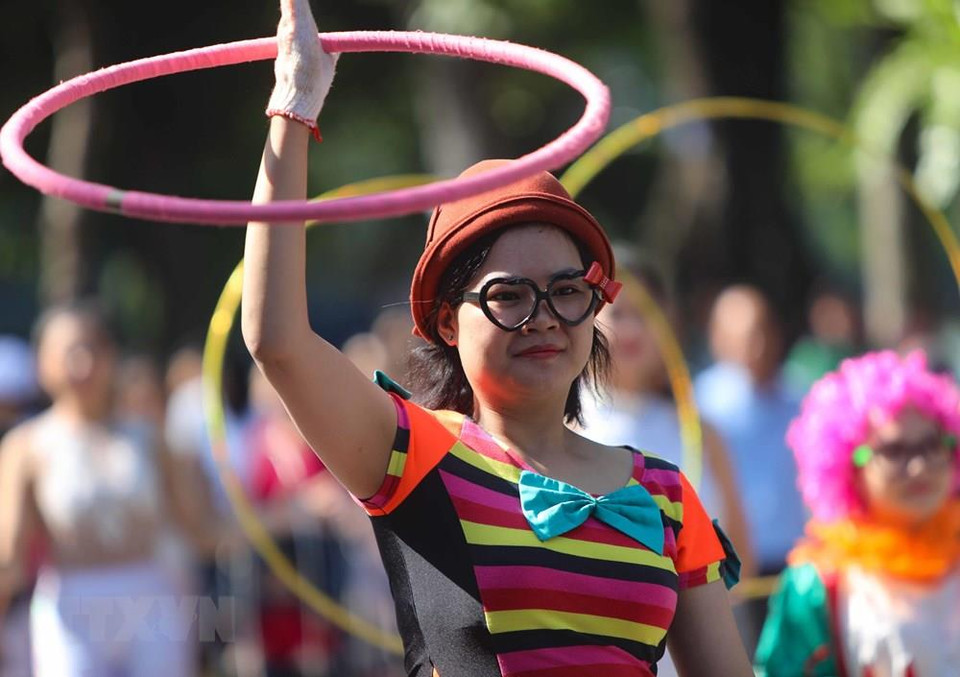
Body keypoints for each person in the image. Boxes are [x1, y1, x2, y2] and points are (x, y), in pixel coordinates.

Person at [240, 2, 753, 675]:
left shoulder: (666, 493)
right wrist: (296, 101)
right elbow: (278, 338)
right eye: (508, 295)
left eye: (568, 291)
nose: (542, 317)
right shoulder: (419, 453)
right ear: (448, 320)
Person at [0, 301, 221, 677]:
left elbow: (200, 528)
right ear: (44, 363)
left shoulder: (149, 438)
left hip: (153, 600)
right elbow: (10, 554)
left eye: (92, 349)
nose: (82, 364)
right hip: (70, 603)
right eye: (69, 352)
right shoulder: (28, 446)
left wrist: (266, 522)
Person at [754, 349, 960, 676]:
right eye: (893, 451)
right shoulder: (819, 585)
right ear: (849, 466)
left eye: (933, 445)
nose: (920, 467)